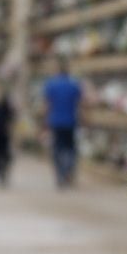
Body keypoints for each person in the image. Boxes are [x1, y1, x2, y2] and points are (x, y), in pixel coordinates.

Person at [43, 59, 83, 188]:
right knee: (70, 149)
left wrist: (44, 121)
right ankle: (67, 171)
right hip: (70, 121)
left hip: (55, 121)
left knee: (57, 149)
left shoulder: (51, 85)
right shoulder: (74, 85)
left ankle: (60, 174)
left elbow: (47, 105)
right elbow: (80, 104)